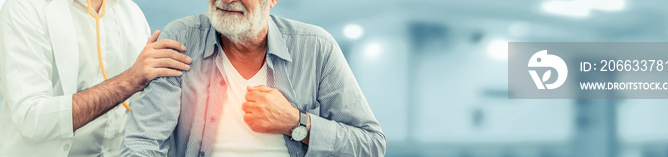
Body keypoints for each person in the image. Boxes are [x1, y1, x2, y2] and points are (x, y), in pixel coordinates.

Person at [120, 0, 386, 156]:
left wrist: (297, 123)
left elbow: (371, 144)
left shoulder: (316, 46)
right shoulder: (181, 37)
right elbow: (142, 142)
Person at [0, 0, 191, 156]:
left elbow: (146, 112)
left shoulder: (131, 13)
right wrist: (130, 80)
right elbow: (31, 120)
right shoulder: (24, 8)